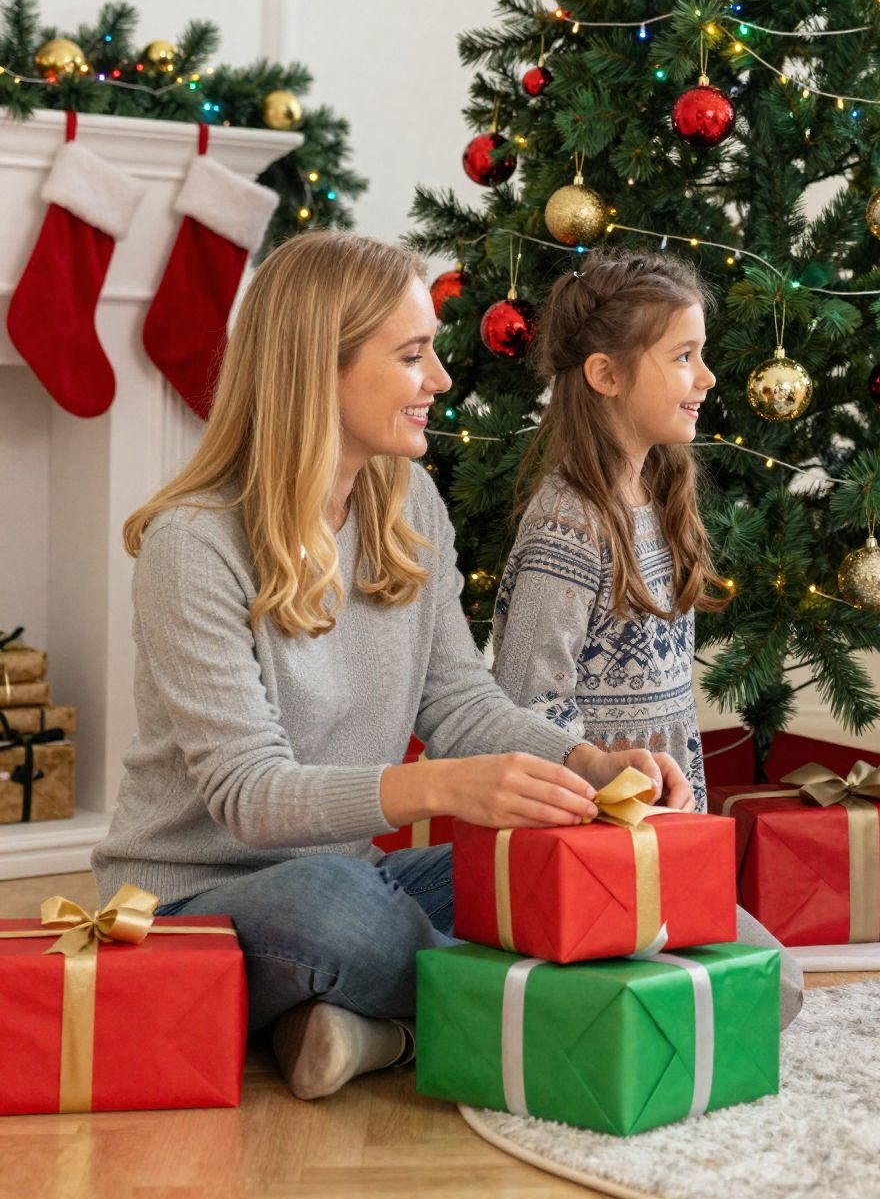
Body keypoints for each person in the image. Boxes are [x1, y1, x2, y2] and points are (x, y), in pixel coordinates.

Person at [99, 232, 690, 1100]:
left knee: (599, 867)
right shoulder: (193, 545)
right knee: (344, 917)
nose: (441, 381)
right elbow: (248, 794)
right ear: (316, 370)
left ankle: (375, 1027)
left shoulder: (407, 501)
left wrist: (586, 764)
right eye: (412, 356)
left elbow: (458, 701)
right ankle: (590, 1012)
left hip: (360, 876)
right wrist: (443, 790)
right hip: (196, 897)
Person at [492, 250, 800, 1025]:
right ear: (606, 375)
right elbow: (525, 703)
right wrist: (606, 801)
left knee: (776, 988)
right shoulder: (569, 520)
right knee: (724, 998)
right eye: (684, 358)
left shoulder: (658, 491)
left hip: (659, 838)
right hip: (591, 840)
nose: (707, 379)